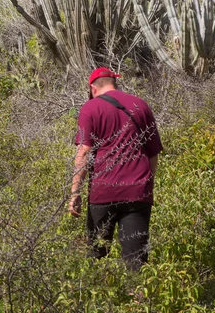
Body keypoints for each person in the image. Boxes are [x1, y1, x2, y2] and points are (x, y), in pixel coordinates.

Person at [69, 67, 163, 271]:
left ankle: (98, 300)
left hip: (103, 192)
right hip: (137, 192)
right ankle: (137, 301)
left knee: (97, 257)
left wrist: (75, 192)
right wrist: (147, 183)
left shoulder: (90, 108)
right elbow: (153, 153)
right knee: (136, 261)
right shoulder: (141, 105)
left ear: (93, 88)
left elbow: (83, 153)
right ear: (114, 82)